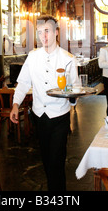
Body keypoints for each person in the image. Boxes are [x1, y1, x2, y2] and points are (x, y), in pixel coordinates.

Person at [10, 15, 80, 191]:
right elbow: (24, 83)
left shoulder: (68, 58)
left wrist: (72, 97)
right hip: (39, 116)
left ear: (56, 32)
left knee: (56, 160)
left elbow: (76, 87)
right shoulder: (32, 57)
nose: (43, 36)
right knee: (47, 160)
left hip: (59, 117)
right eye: (40, 32)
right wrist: (15, 104)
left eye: (47, 31)